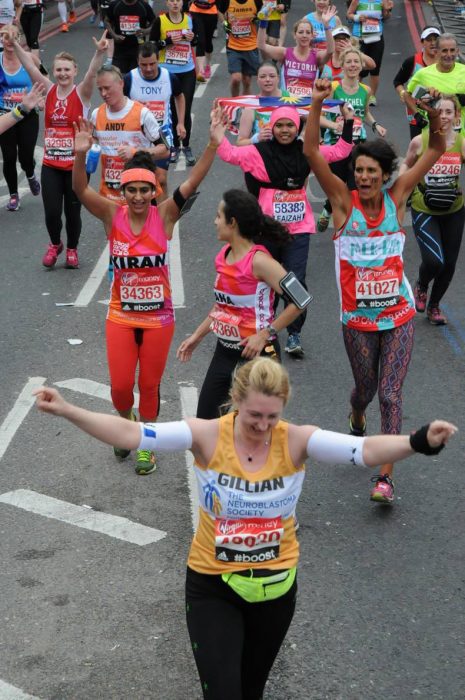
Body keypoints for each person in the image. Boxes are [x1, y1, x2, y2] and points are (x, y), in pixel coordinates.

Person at [34, 358, 457, 698]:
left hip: (276, 588)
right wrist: (69, 409)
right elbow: (130, 433)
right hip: (213, 584)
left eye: (272, 416)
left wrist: (420, 441)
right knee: (222, 692)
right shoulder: (205, 435)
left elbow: (362, 450)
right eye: (254, 414)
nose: (262, 425)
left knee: (250, 691)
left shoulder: (295, 439)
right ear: (236, 401)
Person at [303, 78, 446, 503]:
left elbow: (436, 149)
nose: (364, 177)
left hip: (398, 313)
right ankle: (356, 414)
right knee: (365, 390)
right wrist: (315, 105)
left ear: (385, 176)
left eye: (372, 172)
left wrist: (434, 117)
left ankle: (384, 475)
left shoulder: (397, 197)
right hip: (358, 319)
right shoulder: (342, 202)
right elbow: (312, 152)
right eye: (359, 170)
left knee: (392, 392)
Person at [72, 111, 221, 474]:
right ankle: (130, 422)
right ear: (123, 192)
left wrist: (214, 145)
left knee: (150, 384)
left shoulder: (165, 215)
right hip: (121, 316)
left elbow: (194, 178)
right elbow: (79, 190)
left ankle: (144, 443)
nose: (138, 197)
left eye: (144, 190)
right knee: (121, 389)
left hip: (158, 319)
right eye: (132, 191)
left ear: (154, 191)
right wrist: (80, 155)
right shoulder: (112, 215)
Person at [214, 104, 354, 357]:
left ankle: (294, 334)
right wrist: (217, 133)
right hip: (265, 231)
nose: (285, 130)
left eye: (290, 125)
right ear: (271, 127)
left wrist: (349, 122)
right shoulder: (258, 152)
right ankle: (265, 330)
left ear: (297, 127)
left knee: (295, 281)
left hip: (298, 230)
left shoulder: (307, 153)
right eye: (279, 125)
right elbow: (230, 154)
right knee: (267, 283)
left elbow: (340, 152)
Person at [177, 188, 308, 419]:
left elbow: (301, 300)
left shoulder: (261, 261)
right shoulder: (223, 255)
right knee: (205, 423)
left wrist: (264, 334)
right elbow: (222, 306)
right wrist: (196, 337)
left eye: (219, 216)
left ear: (233, 222)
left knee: (255, 430)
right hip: (224, 352)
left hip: (258, 357)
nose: (214, 221)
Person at [8, 29, 109, 269]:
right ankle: (55, 244)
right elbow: (30, 67)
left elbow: (93, 73)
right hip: (52, 165)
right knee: (52, 213)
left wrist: (99, 53)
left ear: (74, 71)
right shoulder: (49, 89)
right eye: (59, 70)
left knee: (72, 213)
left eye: (67, 69)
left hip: (75, 166)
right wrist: (14, 43)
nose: (63, 74)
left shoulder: (81, 92)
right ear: (53, 72)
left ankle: (72, 249)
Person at [400, 95, 465, 326]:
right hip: (424, 207)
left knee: (449, 264)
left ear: (457, 116)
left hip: (454, 210)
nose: (445, 116)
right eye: (440, 112)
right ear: (432, 114)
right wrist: (402, 185)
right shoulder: (420, 141)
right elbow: (407, 163)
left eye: (449, 112)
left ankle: (434, 306)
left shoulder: (461, 142)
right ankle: (421, 284)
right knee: (434, 261)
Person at [317, 46, 386, 232]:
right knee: (338, 185)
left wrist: (375, 125)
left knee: (354, 186)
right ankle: (327, 209)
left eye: (356, 62)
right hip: (337, 144)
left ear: (362, 65)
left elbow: (365, 114)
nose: (353, 65)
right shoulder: (333, 88)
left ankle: (353, 224)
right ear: (343, 65)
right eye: (349, 62)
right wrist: (334, 126)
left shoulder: (366, 89)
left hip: (358, 145)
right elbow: (319, 116)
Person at [91, 63, 169, 203]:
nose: (103, 94)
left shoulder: (142, 114)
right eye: (100, 89)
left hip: (140, 197)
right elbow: (92, 144)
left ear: (121, 84)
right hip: (111, 196)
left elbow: (165, 150)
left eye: (107, 88)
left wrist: (136, 152)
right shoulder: (96, 115)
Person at [123, 41, 186, 200]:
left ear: (159, 60)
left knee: (161, 179)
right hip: (138, 137)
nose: (149, 68)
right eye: (144, 65)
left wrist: (180, 122)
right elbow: (120, 103)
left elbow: (179, 96)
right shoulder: (129, 79)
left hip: (162, 134)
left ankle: (162, 218)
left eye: (152, 63)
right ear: (138, 62)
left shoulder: (169, 77)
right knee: (139, 180)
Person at [150, 0, 197, 165]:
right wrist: (167, 42)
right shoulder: (160, 21)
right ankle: (175, 147)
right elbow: (152, 45)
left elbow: (197, 41)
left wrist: (194, 37)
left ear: (182, 3)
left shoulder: (190, 19)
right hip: (167, 73)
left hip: (187, 71)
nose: (175, 3)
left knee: (186, 108)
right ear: (167, 3)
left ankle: (187, 145)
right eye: (172, 1)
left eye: (178, 0)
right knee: (171, 110)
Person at [0, 23, 41, 211]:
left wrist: (40, 100)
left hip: (28, 116)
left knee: (25, 157)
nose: (9, 40)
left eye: (14, 36)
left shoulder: (30, 59)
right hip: (5, 117)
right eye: (5, 36)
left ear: (20, 39)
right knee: (9, 157)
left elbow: (43, 82)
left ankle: (31, 173)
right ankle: (14, 194)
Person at [257, 15, 335, 99]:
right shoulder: (285, 53)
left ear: (312, 36)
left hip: (308, 105)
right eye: (301, 32)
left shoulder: (316, 56)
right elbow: (261, 46)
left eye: (308, 32)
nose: (304, 35)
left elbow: (330, 51)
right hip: (287, 104)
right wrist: (263, 22)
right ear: (294, 35)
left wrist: (326, 26)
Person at [407, 33, 465, 134]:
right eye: (444, 51)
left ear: (457, 51)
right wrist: (417, 114)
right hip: (433, 135)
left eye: (452, 50)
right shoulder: (423, 74)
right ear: (437, 52)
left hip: (461, 135)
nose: (449, 55)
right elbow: (407, 95)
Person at [393, 25, 439, 139]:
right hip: (416, 112)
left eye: (436, 40)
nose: (433, 43)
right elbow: (397, 81)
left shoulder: (445, 62)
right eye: (429, 40)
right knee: (418, 149)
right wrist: (403, 93)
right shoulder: (412, 61)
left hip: (439, 111)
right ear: (422, 42)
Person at [346, 0, 393, 106]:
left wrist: (387, 9)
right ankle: (355, 93)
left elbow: (386, 18)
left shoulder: (381, 1)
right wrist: (357, 18)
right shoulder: (357, 1)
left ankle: (372, 96)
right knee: (358, 67)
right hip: (360, 38)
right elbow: (348, 15)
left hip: (376, 37)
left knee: (375, 68)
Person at [236, 60, 288, 145]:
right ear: (257, 80)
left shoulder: (291, 100)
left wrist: (302, 136)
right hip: (262, 156)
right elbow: (240, 143)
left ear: (278, 78)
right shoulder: (251, 107)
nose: (267, 79)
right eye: (263, 76)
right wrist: (256, 138)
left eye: (272, 76)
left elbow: (312, 120)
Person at [217, 0, 262, 98]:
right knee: (236, 78)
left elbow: (265, 10)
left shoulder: (256, 1)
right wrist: (224, 23)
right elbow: (219, 10)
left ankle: (245, 106)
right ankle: (234, 104)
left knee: (246, 81)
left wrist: (258, 18)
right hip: (233, 46)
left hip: (251, 45)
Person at [105, 0, 155, 74]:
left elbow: (154, 21)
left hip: (138, 49)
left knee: (135, 78)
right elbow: (107, 21)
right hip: (120, 51)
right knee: (118, 77)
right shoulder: (114, 5)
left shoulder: (144, 6)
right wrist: (114, 35)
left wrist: (146, 31)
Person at [189, 0, 217, 80]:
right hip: (196, 10)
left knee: (208, 42)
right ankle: (201, 70)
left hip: (211, 11)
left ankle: (207, 64)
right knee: (200, 40)